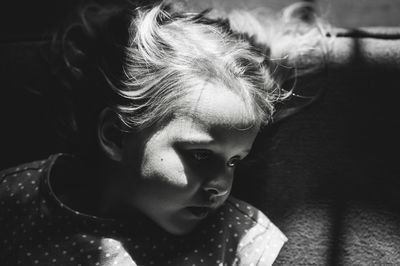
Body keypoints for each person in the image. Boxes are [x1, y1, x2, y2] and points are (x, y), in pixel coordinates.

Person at [0, 1, 328, 265]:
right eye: (200, 155)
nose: (222, 186)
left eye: (234, 162)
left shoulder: (236, 238)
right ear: (116, 135)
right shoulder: (19, 200)